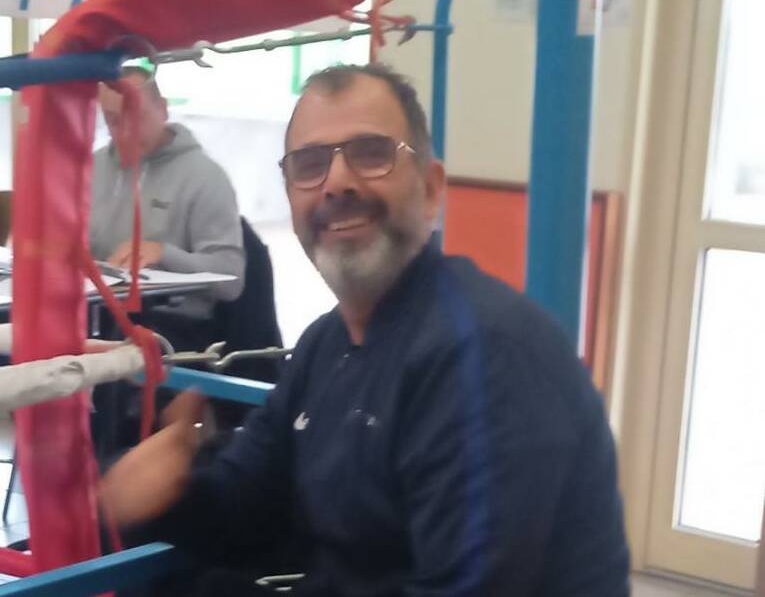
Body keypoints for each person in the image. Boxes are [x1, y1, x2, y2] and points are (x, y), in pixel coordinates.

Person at [101, 63, 630, 596]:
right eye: (310, 165)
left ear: (430, 190)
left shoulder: (483, 354)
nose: (336, 183)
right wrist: (168, 494)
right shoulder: (326, 346)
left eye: (372, 154)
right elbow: (251, 512)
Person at [89, 66, 245, 339]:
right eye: (113, 121)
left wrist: (164, 254)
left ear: (162, 109)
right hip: (96, 314)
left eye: (136, 117)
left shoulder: (205, 177)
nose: (126, 132)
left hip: (171, 327)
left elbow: (232, 279)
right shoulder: (90, 169)